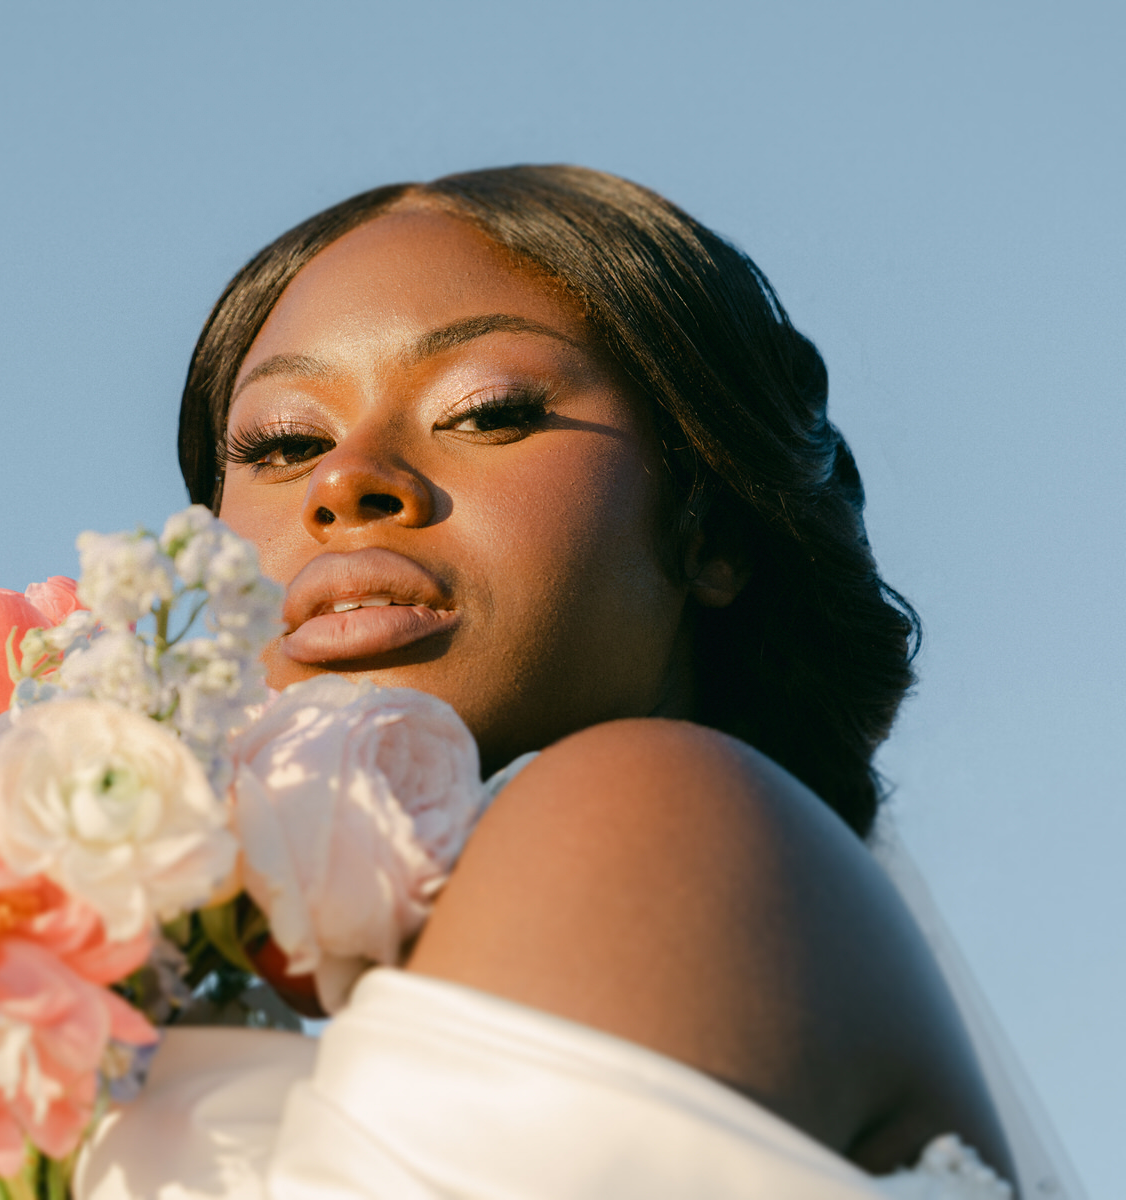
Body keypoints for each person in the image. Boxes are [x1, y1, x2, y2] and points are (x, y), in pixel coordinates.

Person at [77, 167, 1078, 1198]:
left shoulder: (651, 816)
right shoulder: (153, 985)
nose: (345, 482)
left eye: (488, 411)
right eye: (285, 444)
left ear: (712, 526)